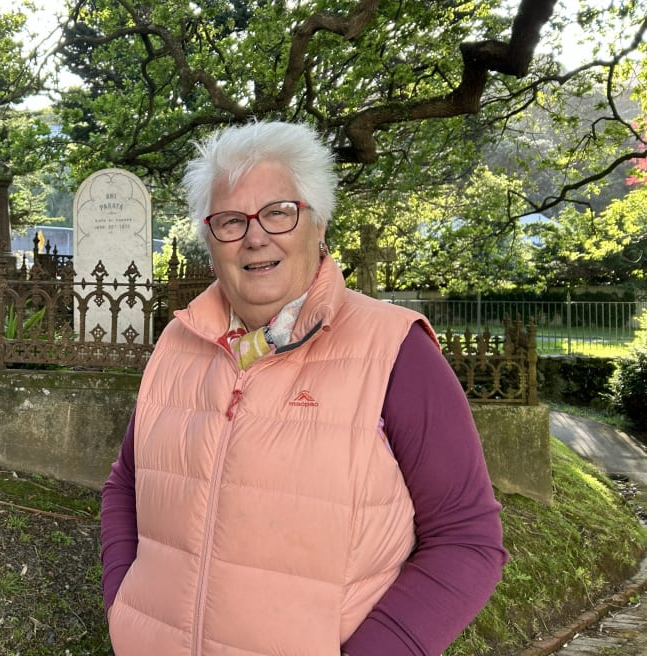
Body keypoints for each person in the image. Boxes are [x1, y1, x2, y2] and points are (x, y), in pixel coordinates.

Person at [99, 121, 508, 656]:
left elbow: (467, 539)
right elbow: (126, 482)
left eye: (278, 211)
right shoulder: (178, 341)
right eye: (229, 220)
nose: (254, 236)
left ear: (318, 224)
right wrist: (122, 605)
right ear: (210, 240)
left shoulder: (395, 350)